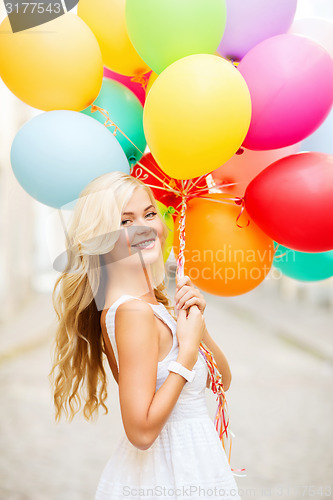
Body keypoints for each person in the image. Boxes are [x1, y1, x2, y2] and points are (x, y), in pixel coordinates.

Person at [49, 170, 241, 500]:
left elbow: (221, 380)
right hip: (167, 473)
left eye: (149, 214)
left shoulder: (150, 303)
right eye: (125, 221)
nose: (145, 228)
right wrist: (187, 354)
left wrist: (199, 328)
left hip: (194, 463)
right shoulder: (132, 313)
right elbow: (140, 431)